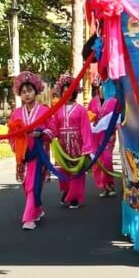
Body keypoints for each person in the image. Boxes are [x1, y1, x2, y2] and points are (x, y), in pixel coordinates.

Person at [9, 71, 54, 230]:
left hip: (39, 152)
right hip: (23, 154)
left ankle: (28, 218)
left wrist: (41, 133)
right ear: (19, 95)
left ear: (36, 91)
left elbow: (52, 129)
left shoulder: (44, 110)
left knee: (32, 184)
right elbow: (11, 134)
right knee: (26, 184)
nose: (27, 95)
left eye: (29, 91)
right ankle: (37, 209)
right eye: (23, 92)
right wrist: (17, 147)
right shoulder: (16, 113)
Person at [49, 74, 94, 209]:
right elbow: (53, 126)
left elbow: (85, 129)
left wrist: (87, 147)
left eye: (69, 91)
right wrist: (50, 135)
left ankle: (74, 197)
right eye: (64, 91)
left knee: (76, 171)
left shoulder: (80, 109)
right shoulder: (58, 110)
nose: (67, 94)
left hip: (76, 145)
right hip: (63, 144)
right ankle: (67, 191)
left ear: (74, 92)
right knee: (63, 170)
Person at [88, 81, 119, 197]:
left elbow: (117, 118)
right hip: (95, 136)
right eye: (101, 86)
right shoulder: (93, 101)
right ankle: (103, 187)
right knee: (98, 163)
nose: (102, 89)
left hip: (107, 135)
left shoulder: (113, 101)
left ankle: (110, 184)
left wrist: (113, 131)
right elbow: (88, 115)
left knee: (107, 160)